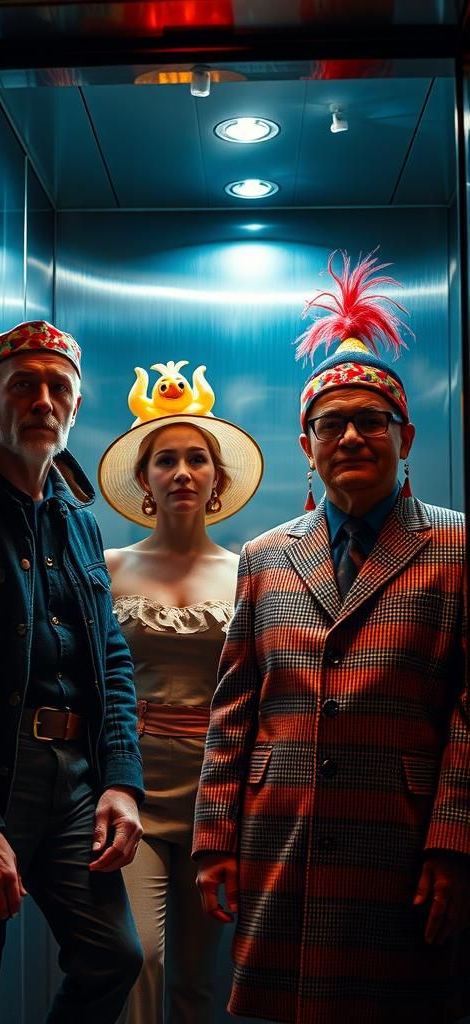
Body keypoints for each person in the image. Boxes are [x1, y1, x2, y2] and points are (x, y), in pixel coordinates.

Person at [192, 251, 470, 1024]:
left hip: (404, 841)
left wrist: (455, 841)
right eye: (331, 423)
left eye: (370, 421)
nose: (351, 436)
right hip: (280, 837)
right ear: (307, 445)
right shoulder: (266, 555)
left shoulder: (456, 548)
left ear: (405, 437)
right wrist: (214, 836)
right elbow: (233, 712)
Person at [0, 319, 144, 1024]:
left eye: (59, 388)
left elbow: (111, 659)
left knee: (115, 957)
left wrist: (121, 781)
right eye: (22, 385)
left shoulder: (80, 524)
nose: (42, 400)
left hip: (76, 777)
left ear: (77, 407)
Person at [97, 359, 264, 1024]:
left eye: (198, 459)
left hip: (216, 798)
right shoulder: (106, 568)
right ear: (145, 480)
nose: (183, 473)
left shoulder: (249, 570)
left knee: (197, 981)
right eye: (166, 460)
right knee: (139, 961)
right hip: (130, 788)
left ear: (218, 478)